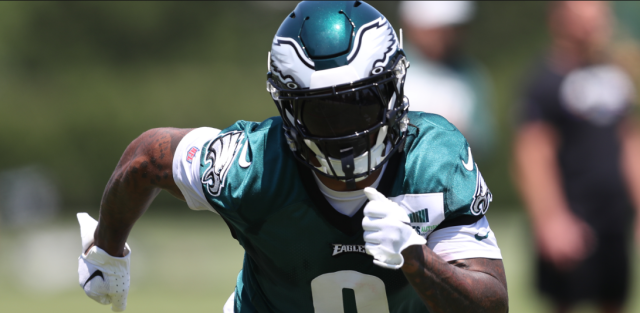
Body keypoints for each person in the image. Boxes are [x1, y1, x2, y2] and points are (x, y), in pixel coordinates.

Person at [77, 2, 508, 312]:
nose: (347, 132)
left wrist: (418, 259)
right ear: (287, 110)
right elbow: (147, 157)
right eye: (322, 111)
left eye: (361, 103)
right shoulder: (253, 166)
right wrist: (106, 250)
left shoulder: (432, 158)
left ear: (393, 91)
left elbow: (491, 304)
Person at [513, 2, 640, 313]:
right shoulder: (544, 81)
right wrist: (551, 219)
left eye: (599, 15)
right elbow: (532, 154)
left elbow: (630, 143)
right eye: (583, 16)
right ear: (560, 20)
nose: (595, 23)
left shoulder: (616, 76)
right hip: (572, 220)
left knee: (615, 300)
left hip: (614, 220)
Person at [399, 1, 495, 159]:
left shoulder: (471, 75)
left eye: (454, 28)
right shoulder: (385, 69)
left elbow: (483, 140)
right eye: (438, 29)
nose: (446, 36)